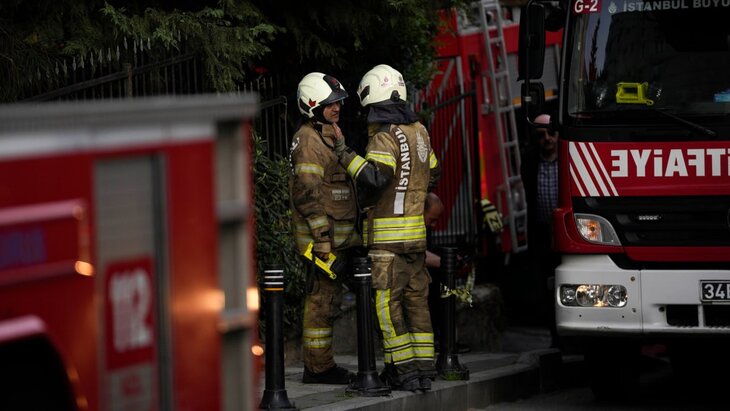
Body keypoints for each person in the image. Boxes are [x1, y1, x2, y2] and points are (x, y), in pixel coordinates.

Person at [332, 64, 441, 392]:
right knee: (417, 304)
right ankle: (424, 370)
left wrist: (345, 154)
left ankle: (402, 372)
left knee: (386, 306)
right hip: (416, 240)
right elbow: (433, 172)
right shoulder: (420, 131)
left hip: (387, 244)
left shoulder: (384, 136)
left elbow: (376, 178)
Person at [289, 72, 362, 384]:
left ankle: (322, 365)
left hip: (336, 240)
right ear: (311, 105)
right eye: (330, 104)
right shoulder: (308, 141)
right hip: (321, 243)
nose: (337, 108)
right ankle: (318, 369)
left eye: (338, 102)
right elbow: (306, 193)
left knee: (329, 302)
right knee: (321, 303)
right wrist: (321, 239)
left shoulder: (328, 135)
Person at [521, 112, 561, 347]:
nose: (547, 138)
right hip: (542, 233)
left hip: (566, 232)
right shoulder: (530, 160)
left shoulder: (568, 157)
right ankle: (555, 335)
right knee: (546, 285)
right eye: (541, 135)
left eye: (550, 133)